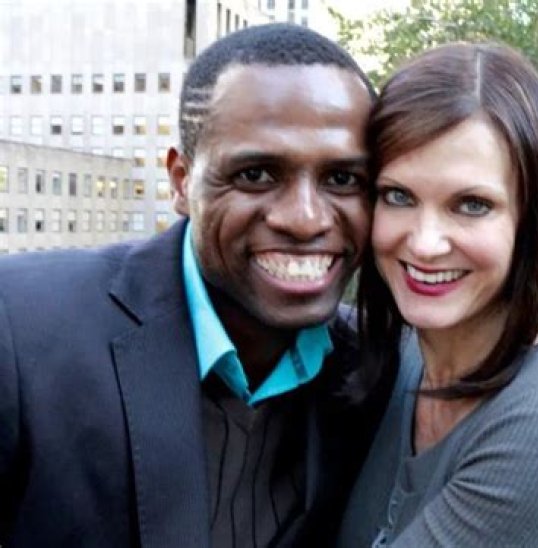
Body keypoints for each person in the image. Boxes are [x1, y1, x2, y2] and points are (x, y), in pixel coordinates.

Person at [0, 23, 385, 547]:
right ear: (182, 181)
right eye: (256, 174)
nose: (305, 219)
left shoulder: (383, 366)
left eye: (342, 179)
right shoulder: (21, 331)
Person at [338, 42, 538, 547]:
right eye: (398, 196)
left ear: (531, 218)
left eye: (471, 205)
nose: (424, 243)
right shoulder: (408, 354)